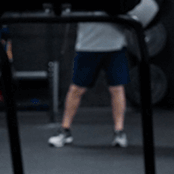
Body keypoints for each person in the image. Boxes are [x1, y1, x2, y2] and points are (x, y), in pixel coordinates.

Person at [48, 0, 158, 149]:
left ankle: (119, 132)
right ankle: (65, 131)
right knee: (76, 89)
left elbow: (140, 10)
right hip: (87, 47)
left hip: (115, 47)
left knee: (117, 89)